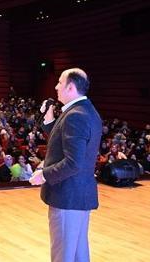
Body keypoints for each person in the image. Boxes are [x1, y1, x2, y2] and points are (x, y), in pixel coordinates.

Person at [29, 68, 102, 262]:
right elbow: (65, 141)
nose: (56, 86)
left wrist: (44, 174)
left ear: (70, 87)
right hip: (78, 194)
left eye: (60, 83)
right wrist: (49, 120)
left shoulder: (75, 115)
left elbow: (73, 162)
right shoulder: (84, 110)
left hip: (67, 195)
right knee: (78, 251)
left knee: (63, 254)